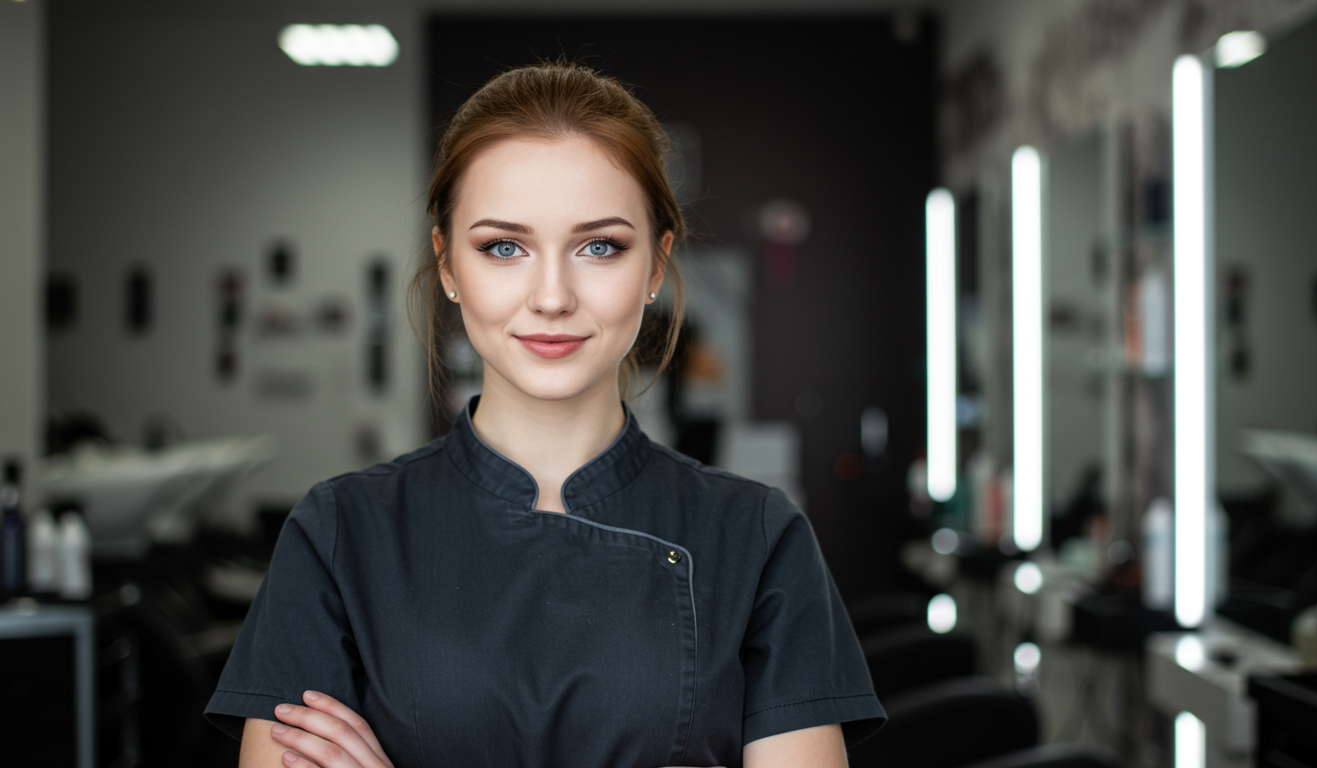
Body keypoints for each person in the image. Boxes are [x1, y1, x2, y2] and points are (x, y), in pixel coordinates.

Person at [205, 62, 884, 768]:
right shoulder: (339, 536)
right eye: (504, 247)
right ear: (447, 267)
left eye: (600, 246)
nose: (552, 295)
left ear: (655, 266)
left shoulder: (759, 539)